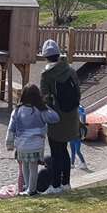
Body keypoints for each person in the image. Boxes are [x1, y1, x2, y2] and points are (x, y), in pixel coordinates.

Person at [39, 40, 80, 195]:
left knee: (56, 152)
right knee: (64, 150)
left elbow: (45, 99)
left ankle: (55, 185)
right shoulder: (71, 71)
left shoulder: (47, 75)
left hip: (56, 118)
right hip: (72, 117)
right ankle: (66, 183)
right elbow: (78, 93)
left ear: (45, 57)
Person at [5, 84, 59, 195]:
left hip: (21, 144)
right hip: (36, 144)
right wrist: (45, 106)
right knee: (33, 167)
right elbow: (55, 118)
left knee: (24, 165)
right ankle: (32, 190)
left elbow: (11, 128)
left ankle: (27, 187)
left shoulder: (17, 110)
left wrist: (9, 143)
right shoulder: (40, 110)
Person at [70, 104, 90, 171]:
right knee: (73, 151)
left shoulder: (78, 122)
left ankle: (83, 163)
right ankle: (72, 164)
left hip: (77, 139)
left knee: (77, 151)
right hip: (71, 139)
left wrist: (84, 136)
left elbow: (85, 128)